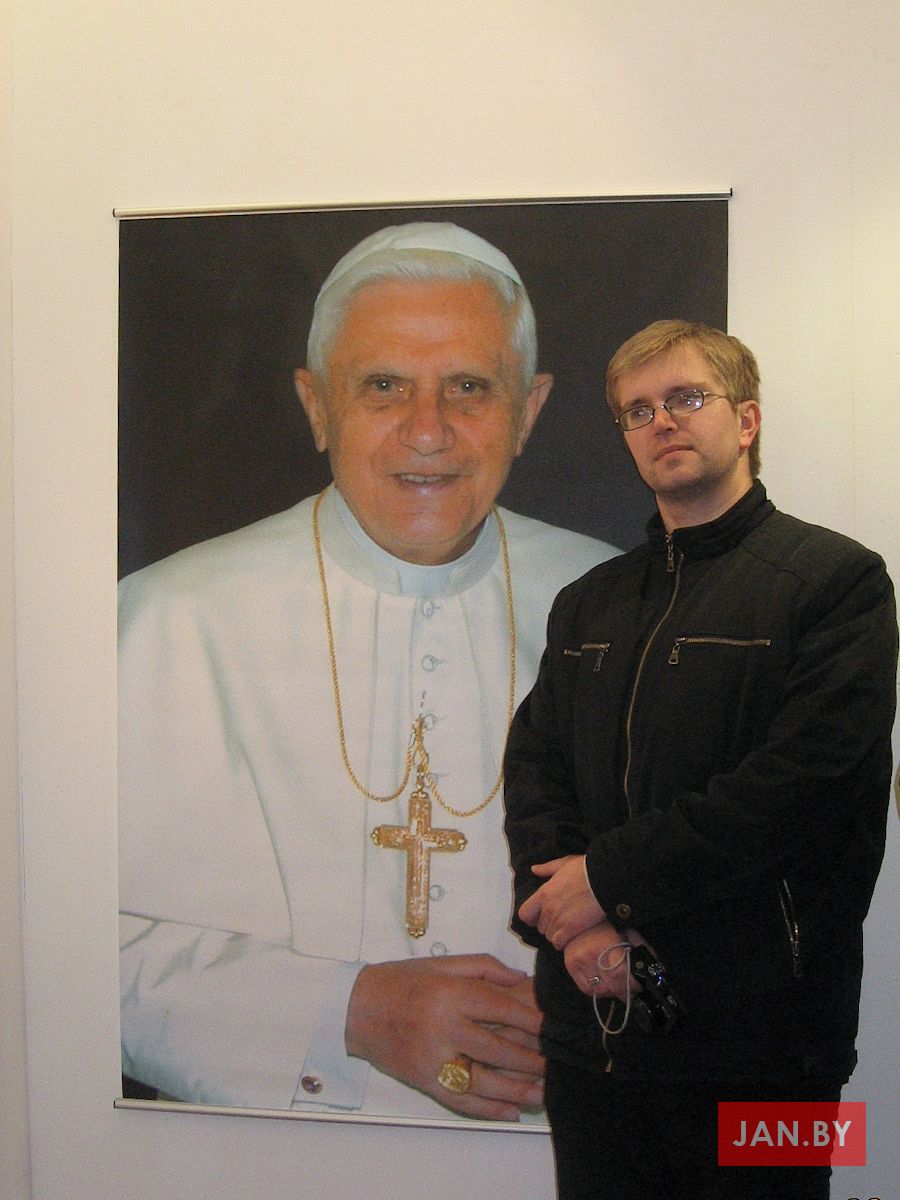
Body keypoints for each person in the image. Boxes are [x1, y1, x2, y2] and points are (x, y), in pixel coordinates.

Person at [118, 221, 619, 1122]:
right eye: (383, 386)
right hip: (262, 1165)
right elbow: (65, 950)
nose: (428, 432)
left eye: (469, 386)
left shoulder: (628, 612)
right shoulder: (171, 616)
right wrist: (348, 1014)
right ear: (317, 406)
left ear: (529, 411)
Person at [503, 319, 897, 1197]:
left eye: (686, 397)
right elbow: (534, 771)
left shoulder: (840, 582)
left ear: (747, 419)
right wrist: (582, 925)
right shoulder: (588, 601)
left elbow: (802, 787)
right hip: (597, 1032)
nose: (663, 422)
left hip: (774, 1046)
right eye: (638, 410)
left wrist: (607, 880)